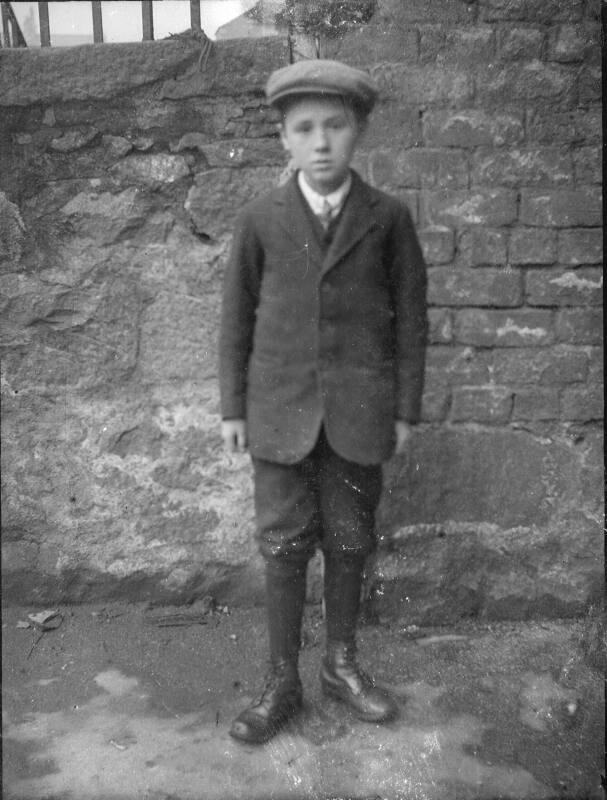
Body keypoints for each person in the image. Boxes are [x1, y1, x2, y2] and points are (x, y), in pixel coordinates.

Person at [219, 59, 428, 745]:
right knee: (282, 546)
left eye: (334, 126)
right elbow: (235, 321)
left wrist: (403, 411)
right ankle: (281, 681)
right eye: (303, 128)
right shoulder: (259, 220)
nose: (320, 142)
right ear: (282, 138)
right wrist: (231, 410)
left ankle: (340, 666)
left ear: (358, 131)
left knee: (348, 540)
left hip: (359, 415)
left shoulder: (387, 219)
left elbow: (411, 318)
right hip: (278, 414)